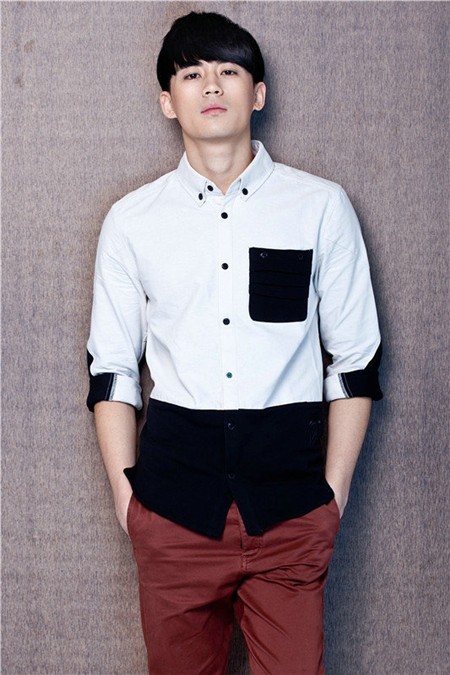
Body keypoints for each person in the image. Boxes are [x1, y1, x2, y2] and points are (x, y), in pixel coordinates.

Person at [87, 11, 382, 675]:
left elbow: (354, 362)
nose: (212, 85)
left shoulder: (320, 206)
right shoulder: (132, 222)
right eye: (191, 74)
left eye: (229, 70)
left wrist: (332, 499)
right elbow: (112, 371)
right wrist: (129, 505)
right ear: (168, 101)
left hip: (292, 510)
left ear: (259, 93)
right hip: (172, 511)